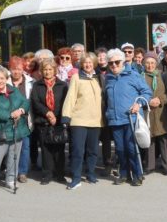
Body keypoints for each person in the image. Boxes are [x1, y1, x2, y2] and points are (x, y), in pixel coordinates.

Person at [103, 49, 152, 186]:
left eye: (117, 62)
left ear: (123, 62)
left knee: (131, 148)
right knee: (120, 149)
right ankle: (124, 174)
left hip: (131, 118)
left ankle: (137, 174)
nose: (114, 65)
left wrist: (138, 104)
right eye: (111, 63)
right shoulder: (108, 78)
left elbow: (147, 92)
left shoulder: (133, 75)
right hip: (115, 119)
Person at [0, 67, 30, 192]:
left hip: (16, 130)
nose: (0, 81)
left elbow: (25, 102)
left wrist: (21, 110)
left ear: (6, 79)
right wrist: (10, 115)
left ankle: (10, 179)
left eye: (2, 78)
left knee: (14, 157)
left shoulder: (13, 90)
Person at [61, 52, 103, 190]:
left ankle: (90, 174)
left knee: (92, 150)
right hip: (79, 120)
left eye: (90, 62)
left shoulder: (99, 78)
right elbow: (71, 96)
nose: (88, 65)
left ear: (94, 64)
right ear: (81, 64)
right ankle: (76, 177)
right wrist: (66, 115)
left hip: (95, 121)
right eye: (85, 62)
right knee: (78, 151)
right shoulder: (76, 77)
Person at [30, 58, 68, 185]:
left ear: (55, 70)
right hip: (43, 121)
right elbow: (35, 102)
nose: (47, 72)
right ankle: (47, 174)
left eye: (50, 69)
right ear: (41, 71)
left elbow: (64, 102)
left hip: (57, 121)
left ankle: (60, 173)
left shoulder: (62, 85)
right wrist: (48, 113)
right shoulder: (37, 85)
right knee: (45, 149)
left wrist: (55, 116)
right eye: (45, 69)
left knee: (59, 149)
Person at [141, 51, 167, 175]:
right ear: (144, 63)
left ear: (156, 63)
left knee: (164, 140)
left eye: (152, 63)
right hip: (147, 112)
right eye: (147, 63)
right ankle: (150, 166)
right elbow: (137, 94)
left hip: (162, 113)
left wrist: (160, 99)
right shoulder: (140, 76)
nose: (150, 66)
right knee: (150, 139)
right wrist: (147, 101)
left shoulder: (162, 75)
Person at [9, 56, 34, 183]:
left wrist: (22, 111)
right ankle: (11, 172)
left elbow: (30, 101)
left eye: (19, 69)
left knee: (25, 146)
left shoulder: (30, 82)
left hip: (25, 119)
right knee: (10, 147)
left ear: (23, 69)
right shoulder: (5, 81)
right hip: (9, 119)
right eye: (14, 69)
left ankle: (22, 172)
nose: (16, 72)